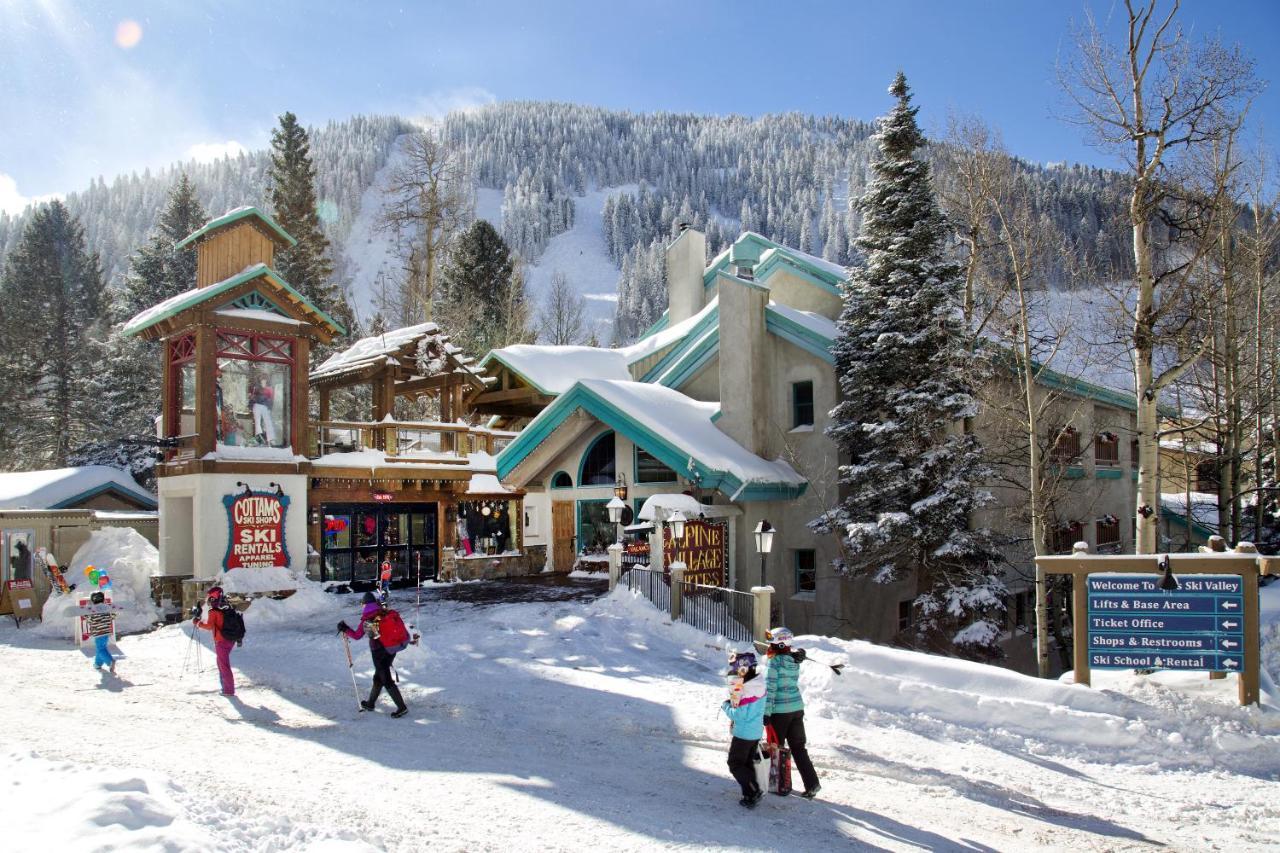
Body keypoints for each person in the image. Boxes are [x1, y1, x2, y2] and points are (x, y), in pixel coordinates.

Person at [763, 627, 821, 799]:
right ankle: (812, 784)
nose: (769, 646)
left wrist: (766, 713)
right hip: (796, 709)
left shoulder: (774, 663)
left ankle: (780, 784)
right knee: (798, 748)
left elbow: (770, 689)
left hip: (779, 712)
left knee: (777, 748)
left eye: (772, 643)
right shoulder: (794, 660)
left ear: (779, 644)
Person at [338, 592, 408, 718]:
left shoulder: (368, 617)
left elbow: (357, 635)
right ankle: (370, 703)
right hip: (391, 649)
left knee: (386, 679)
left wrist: (345, 629)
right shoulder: (383, 611)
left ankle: (402, 707)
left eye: (363, 605)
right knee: (378, 677)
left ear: (365, 604)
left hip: (379, 653)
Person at [721, 648, 766, 809]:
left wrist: (725, 706)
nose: (734, 672)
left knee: (735, 763)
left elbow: (739, 715)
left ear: (743, 668)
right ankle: (750, 793)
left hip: (744, 733)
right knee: (746, 763)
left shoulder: (747, 690)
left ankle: (754, 791)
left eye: (736, 669)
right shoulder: (757, 684)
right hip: (754, 732)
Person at [193, 586, 239, 696]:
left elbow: (209, 626)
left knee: (223, 665)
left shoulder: (214, 611)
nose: (208, 599)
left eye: (209, 597)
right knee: (221, 664)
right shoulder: (226, 608)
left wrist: (197, 623)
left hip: (221, 641)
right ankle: (225, 688)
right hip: (230, 640)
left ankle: (228, 690)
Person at [84, 591, 116, 674]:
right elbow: (113, 616)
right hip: (106, 632)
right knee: (100, 648)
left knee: (101, 649)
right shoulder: (107, 608)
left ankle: (110, 661)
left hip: (98, 633)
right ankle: (98, 664)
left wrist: (87, 609)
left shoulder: (93, 611)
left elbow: (88, 619)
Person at [249, 377, 276, 446]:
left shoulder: (269, 389)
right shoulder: (256, 387)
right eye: (262, 380)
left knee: (268, 422)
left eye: (264, 379)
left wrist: (269, 407)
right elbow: (252, 397)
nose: (263, 381)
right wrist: (251, 404)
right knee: (257, 422)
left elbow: (271, 399)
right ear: (260, 381)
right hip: (257, 405)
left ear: (266, 381)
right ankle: (259, 437)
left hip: (265, 406)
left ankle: (271, 439)